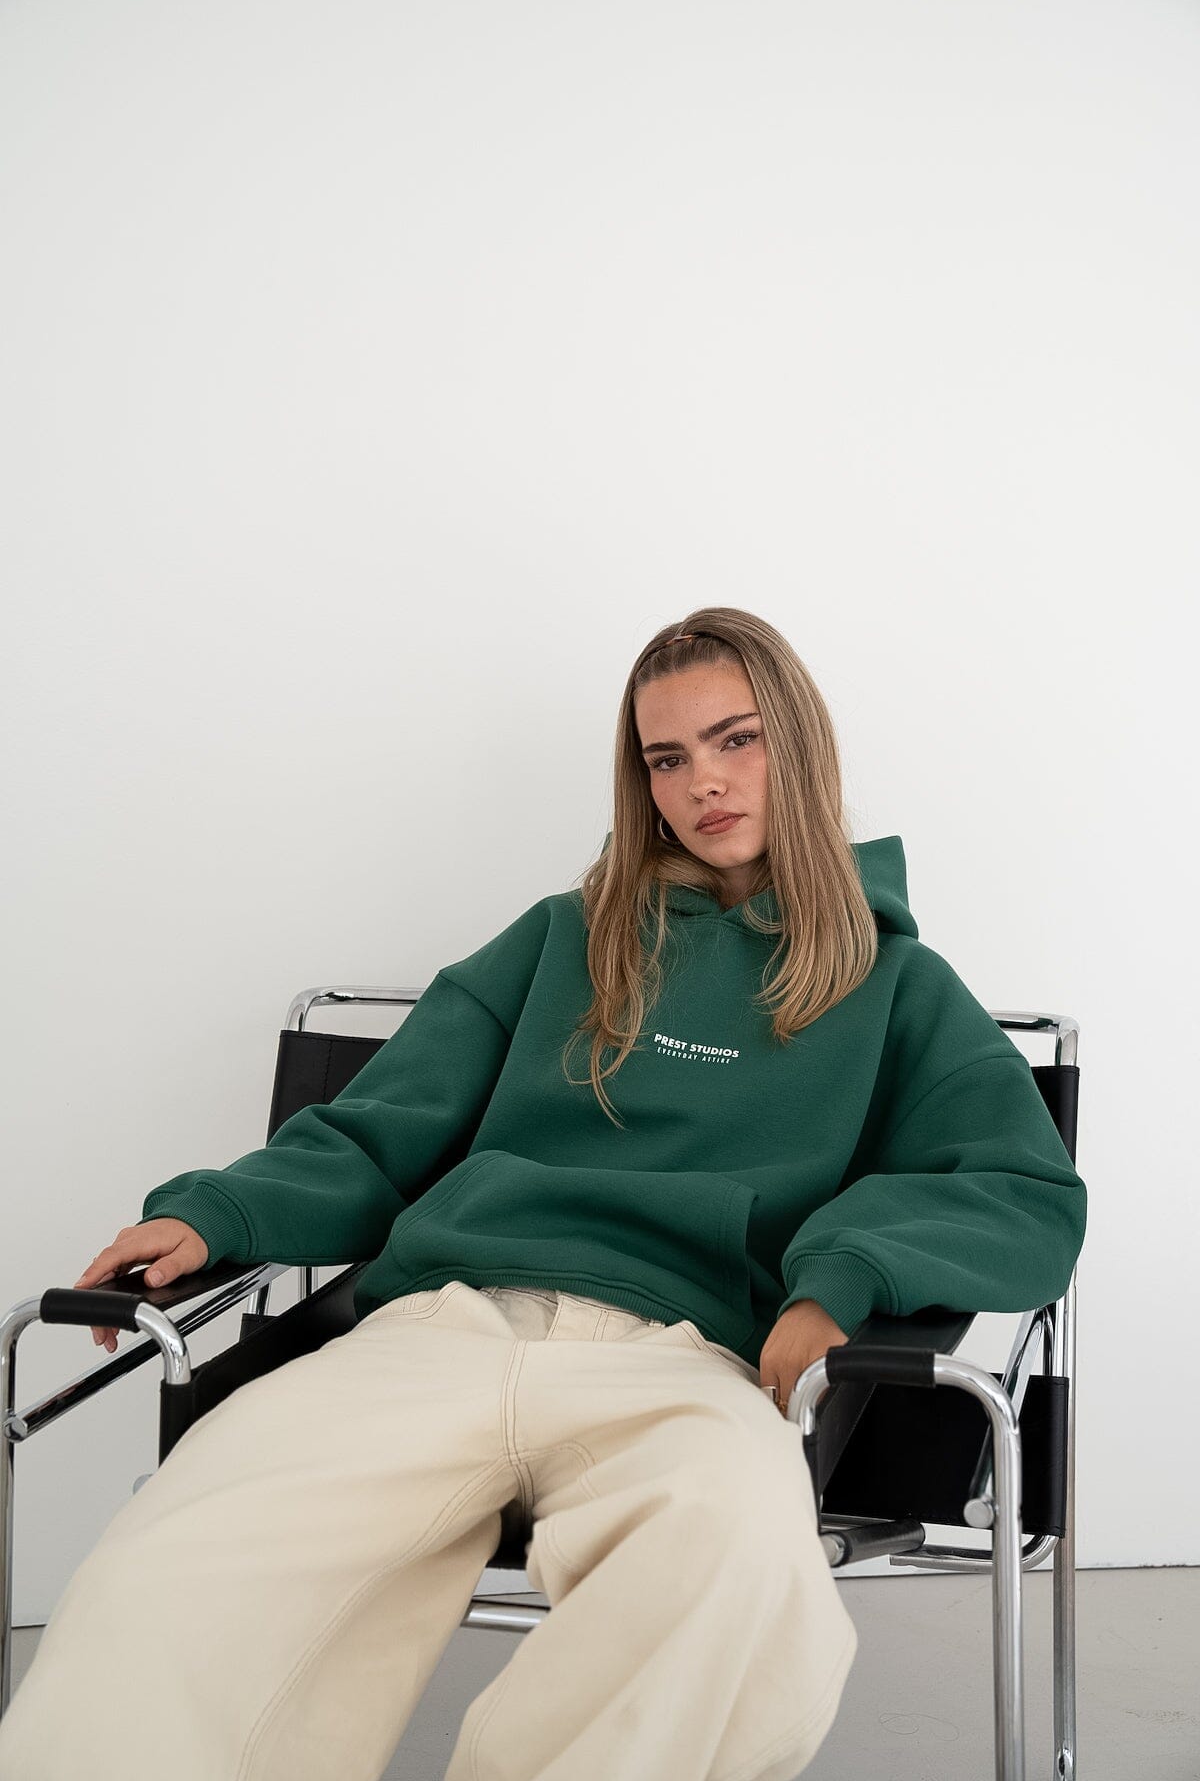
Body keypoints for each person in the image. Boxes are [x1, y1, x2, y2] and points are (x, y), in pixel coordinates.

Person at [0, 607, 1087, 1781]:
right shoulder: (566, 937)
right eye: (667, 758)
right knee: (179, 1562)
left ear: (800, 743)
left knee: (738, 1575)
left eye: (738, 740)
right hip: (439, 1332)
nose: (704, 783)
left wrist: (842, 1281)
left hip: (686, 1364)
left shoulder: (898, 985)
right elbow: (379, 1131)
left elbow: (1021, 1190)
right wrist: (214, 1213)